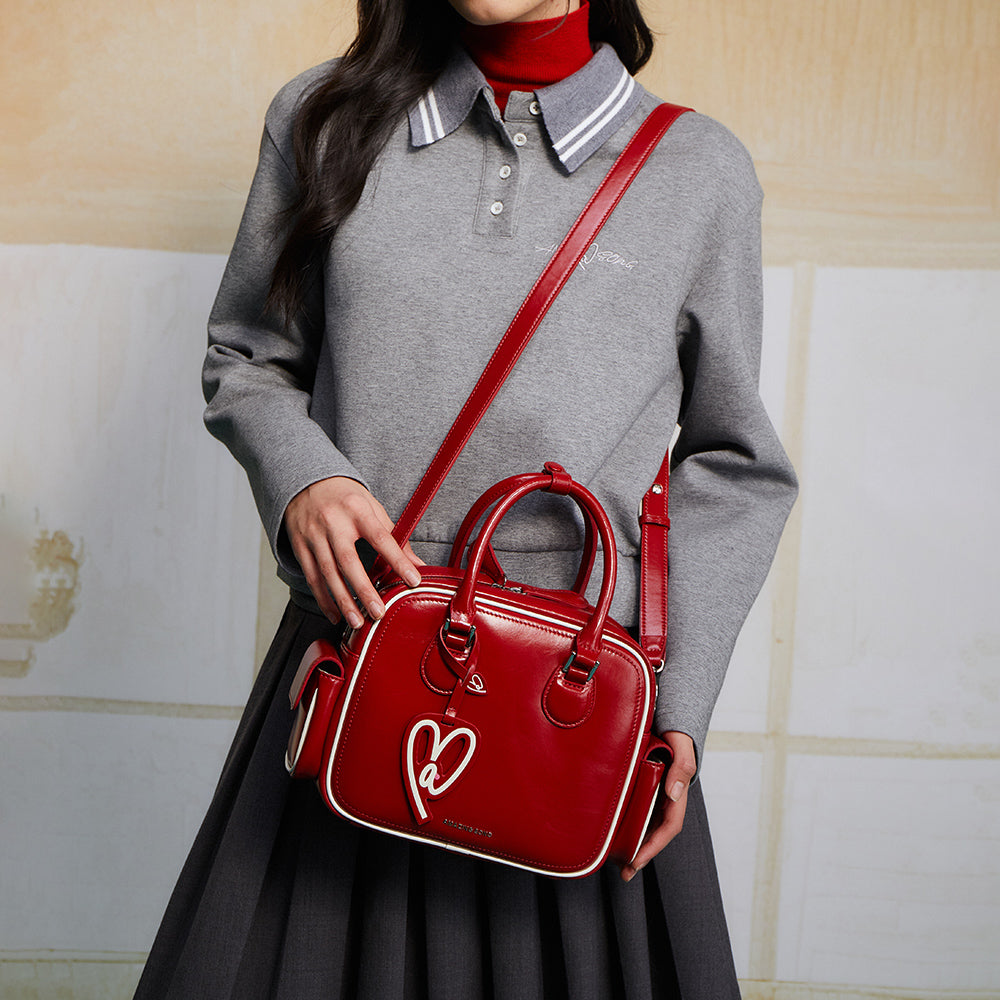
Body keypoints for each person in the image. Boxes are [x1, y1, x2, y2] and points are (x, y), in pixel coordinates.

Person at [133, 0, 797, 996]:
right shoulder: (320, 119)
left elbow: (735, 462)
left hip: (568, 711)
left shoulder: (699, 171)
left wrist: (680, 707)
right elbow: (248, 360)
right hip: (360, 659)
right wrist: (304, 478)